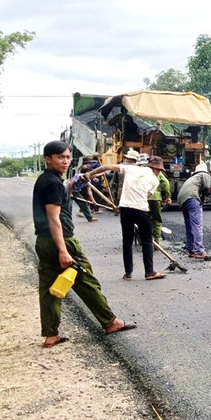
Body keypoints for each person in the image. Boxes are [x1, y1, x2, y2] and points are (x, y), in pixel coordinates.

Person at [33, 140, 136, 348]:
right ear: (48, 159)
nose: (65, 161)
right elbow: (54, 219)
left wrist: (69, 189)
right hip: (60, 241)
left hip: (43, 242)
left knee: (50, 288)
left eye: (68, 157)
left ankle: (51, 334)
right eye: (60, 157)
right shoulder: (53, 183)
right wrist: (63, 250)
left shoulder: (46, 180)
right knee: (86, 281)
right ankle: (110, 322)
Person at [84, 149, 166, 281]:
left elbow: (107, 166)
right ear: (156, 169)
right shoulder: (155, 180)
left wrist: (89, 174)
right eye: (160, 170)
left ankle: (128, 273)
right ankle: (149, 272)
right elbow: (146, 196)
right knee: (147, 241)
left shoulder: (131, 169)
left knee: (127, 241)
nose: (159, 172)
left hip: (125, 208)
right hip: (141, 209)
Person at [177, 162, 211, 260]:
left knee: (189, 225)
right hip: (192, 197)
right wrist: (203, 198)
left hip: (182, 199)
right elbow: (206, 187)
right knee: (197, 224)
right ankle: (199, 251)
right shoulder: (204, 174)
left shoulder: (192, 178)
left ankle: (191, 250)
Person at [147, 156, 172, 243]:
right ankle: (156, 242)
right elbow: (166, 183)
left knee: (143, 219)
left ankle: (145, 240)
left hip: (143, 198)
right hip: (156, 199)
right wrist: (168, 196)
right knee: (156, 220)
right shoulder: (159, 174)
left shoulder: (143, 171)